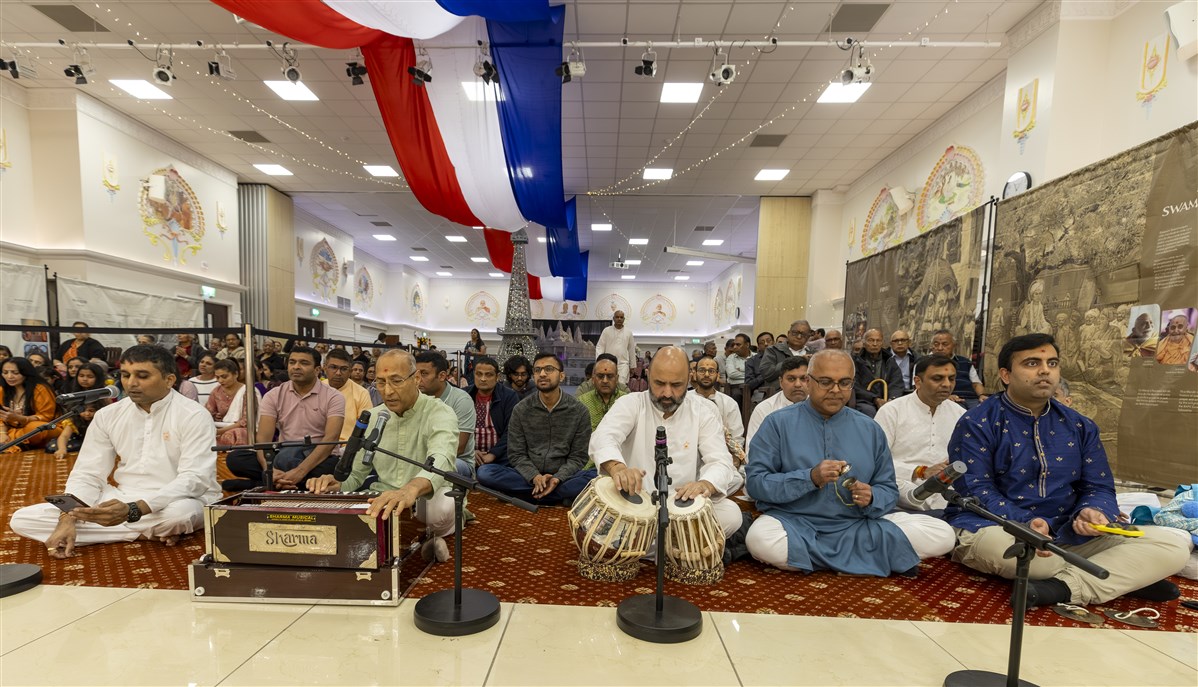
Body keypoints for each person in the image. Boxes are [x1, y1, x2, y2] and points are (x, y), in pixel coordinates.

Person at [946, 333, 1189, 608]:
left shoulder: (1080, 425)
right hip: (997, 525)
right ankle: (1120, 575)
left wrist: (1093, 510)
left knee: (1173, 546)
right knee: (1037, 563)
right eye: (1032, 363)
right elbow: (976, 489)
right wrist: (1027, 521)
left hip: (1067, 529)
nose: (1044, 371)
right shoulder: (977, 422)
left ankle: (1063, 587)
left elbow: (1098, 485)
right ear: (1006, 375)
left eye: (1052, 363)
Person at [745, 349, 956, 576]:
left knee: (943, 534)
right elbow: (756, 483)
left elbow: (888, 489)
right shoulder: (777, 423)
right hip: (796, 523)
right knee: (760, 540)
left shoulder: (869, 428)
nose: (836, 390)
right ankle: (869, 557)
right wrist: (809, 478)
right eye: (826, 382)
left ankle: (810, 558)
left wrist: (872, 497)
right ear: (808, 381)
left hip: (857, 524)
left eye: (844, 383)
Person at [9, 344, 221, 556]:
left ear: (169, 380)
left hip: (180, 499)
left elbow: (194, 478)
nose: (131, 383)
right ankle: (144, 532)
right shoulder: (108, 415)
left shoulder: (193, 415)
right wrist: (68, 516)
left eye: (142, 376)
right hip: (123, 497)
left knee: (179, 517)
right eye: (125, 375)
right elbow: (87, 472)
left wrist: (134, 510)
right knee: (22, 519)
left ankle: (124, 527)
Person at [589, 347, 748, 553]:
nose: (667, 393)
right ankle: (679, 546)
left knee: (732, 514)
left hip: (683, 505)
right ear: (648, 376)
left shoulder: (704, 410)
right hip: (634, 502)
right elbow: (603, 437)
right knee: (595, 522)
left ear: (689, 379)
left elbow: (720, 461)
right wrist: (618, 468)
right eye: (659, 383)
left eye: (676, 385)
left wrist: (705, 484)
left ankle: (646, 546)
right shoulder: (630, 403)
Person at [307, 349, 459, 562]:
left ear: (416, 378)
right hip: (384, 496)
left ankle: (435, 533)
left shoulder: (440, 412)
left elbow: (441, 458)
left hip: (424, 498)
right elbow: (356, 475)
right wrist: (337, 484)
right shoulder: (374, 417)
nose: (387, 391)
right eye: (380, 382)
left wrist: (410, 490)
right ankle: (416, 540)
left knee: (440, 508)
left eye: (396, 381)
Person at [477, 353, 594, 506]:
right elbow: (516, 454)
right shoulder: (521, 409)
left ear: (561, 376)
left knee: (596, 476)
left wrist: (557, 478)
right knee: (485, 473)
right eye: (538, 370)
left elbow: (578, 457)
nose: (542, 374)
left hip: (564, 476)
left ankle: (527, 495)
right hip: (527, 475)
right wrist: (534, 476)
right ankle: (556, 495)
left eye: (549, 369)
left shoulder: (579, 411)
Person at [224, 345, 345, 490]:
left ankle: (262, 485)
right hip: (284, 454)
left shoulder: (333, 397)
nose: (296, 367)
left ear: (317, 370)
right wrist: (269, 470)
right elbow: (263, 439)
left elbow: (331, 439)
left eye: (304, 363)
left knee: (334, 467)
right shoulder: (274, 395)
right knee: (236, 459)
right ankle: (290, 483)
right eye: (292, 362)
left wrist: (300, 471)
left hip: (318, 457)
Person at [873, 354, 965, 512]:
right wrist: (921, 471)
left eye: (951, 378)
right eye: (937, 378)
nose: (946, 384)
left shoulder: (960, 414)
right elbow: (875, 461)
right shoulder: (892, 411)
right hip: (902, 485)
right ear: (918, 382)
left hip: (947, 490)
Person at [415, 351, 476, 477]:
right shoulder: (414, 398)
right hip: (419, 457)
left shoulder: (461, 400)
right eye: (415, 374)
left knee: (435, 468)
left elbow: (459, 447)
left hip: (457, 460)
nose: (418, 379)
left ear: (442, 376)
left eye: (424, 374)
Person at [466, 355, 519, 471]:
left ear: (497, 377)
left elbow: (511, 431)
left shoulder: (509, 396)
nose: (483, 379)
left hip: (501, 457)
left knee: (485, 473)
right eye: (479, 374)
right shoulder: (464, 395)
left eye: (488, 375)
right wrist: (469, 452)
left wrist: (493, 454)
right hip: (468, 455)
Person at [1, 357, 62, 453]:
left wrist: (21, 418)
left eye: (15, 373)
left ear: (26, 373)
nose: (9, 376)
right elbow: (1, 419)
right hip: (12, 429)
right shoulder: (2, 390)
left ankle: (15, 442)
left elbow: (46, 417)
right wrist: (2, 433)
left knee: (36, 428)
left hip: (49, 427)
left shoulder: (40, 389)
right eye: (5, 372)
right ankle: (15, 442)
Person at [746, 356, 807, 450]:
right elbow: (754, 451)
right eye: (791, 379)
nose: (798, 384)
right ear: (781, 382)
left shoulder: (821, 407)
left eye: (803, 379)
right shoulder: (765, 409)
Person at [323, 348, 375, 451]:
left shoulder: (361, 393)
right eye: (333, 367)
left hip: (346, 448)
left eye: (344, 369)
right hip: (315, 445)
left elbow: (367, 428)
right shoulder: (316, 389)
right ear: (324, 368)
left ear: (350, 371)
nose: (338, 373)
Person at [692, 356, 745, 450]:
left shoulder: (729, 403)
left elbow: (736, 438)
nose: (706, 375)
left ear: (718, 376)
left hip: (721, 452)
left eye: (711, 371)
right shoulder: (685, 400)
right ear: (695, 374)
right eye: (702, 370)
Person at [852, 328, 904, 418]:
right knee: (869, 411)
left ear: (882, 343)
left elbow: (896, 383)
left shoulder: (889, 361)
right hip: (864, 400)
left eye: (878, 341)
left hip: (887, 399)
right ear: (864, 343)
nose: (875, 344)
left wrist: (891, 399)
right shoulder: (856, 361)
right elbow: (854, 385)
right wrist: (874, 399)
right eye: (871, 340)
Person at [207, 359, 259, 447]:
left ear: (236, 374)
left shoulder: (248, 392)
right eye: (217, 377)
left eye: (224, 377)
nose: (220, 381)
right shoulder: (216, 392)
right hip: (220, 427)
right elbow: (208, 413)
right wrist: (215, 416)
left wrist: (219, 431)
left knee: (232, 434)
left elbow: (246, 421)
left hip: (244, 430)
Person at [930, 330, 987, 408]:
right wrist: (946, 397)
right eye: (936, 344)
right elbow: (920, 388)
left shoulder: (965, 362)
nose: (940, 348)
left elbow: (976, 384)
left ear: (954, 345)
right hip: (946, 399)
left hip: (972, 399)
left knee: (987, 409)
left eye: (945, 344)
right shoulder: (924, 363)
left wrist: (982, 395)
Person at [758, 320, 815, 395]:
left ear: (808, 337)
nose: (799, 337)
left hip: (808, 395)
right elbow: (767, 373)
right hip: (779, 393)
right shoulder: (773, 350)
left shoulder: (814, 354)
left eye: (803, 334)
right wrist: (796, 359)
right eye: (795, 333)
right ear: (788, 333)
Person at [578, 354, 627, 431]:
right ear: (593, 379)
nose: (605, 381)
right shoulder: (582, 402)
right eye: (600, 376)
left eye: (610, 376)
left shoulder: (626, 401)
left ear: (617, 379)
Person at [595, 310, 637, 385]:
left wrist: (632, 365)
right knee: (609, 384)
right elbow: (600, 347)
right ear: (613, 318)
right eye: (617, 317)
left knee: (621, 384)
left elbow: (631, 350)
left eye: (621, 317)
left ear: (624, 319)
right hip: (608, 363)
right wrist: (599, 361)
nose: (619, 319)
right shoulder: (606, 331)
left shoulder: (628, 332)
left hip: (623, 364)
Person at [888, 330, 916, 396]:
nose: (900, 343)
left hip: (911, 393)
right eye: (896, 341)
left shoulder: (917, 358)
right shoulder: (885, 358)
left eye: (903, 340)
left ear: (909, 342)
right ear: (891, 344)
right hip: (889, 394)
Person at [744, 331, 773, 396]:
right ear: (758, 346)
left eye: (768, 341)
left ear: (774, 343)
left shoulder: (781, 358)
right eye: (762, 343)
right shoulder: (752, 361)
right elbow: (749, 384)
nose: (766, 344)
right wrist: (765, 375)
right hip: (760, 392)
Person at [725, 334, 751, 403]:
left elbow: (760, 374)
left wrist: (740, 371)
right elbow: (732, 374)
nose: (735, 347)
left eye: (738, 345)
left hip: (753, 385)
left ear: (747, 345)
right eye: (734, 344)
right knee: (736, 395)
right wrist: (751, 375)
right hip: (736, 387)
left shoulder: (756, 357)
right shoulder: (731, 358)